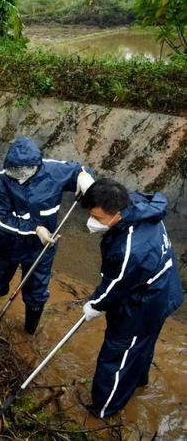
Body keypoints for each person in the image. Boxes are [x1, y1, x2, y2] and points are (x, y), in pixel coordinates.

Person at [80, 178, 183, 418]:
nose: (92, 222)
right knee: (143, 343)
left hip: (143, 305)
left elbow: (114, 287)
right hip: (163, 289)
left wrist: (95, 305)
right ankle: (138, 382)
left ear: (117, 215)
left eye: (98, 218)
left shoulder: (130, 249)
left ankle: (104, 410)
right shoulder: (137, 204)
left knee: (117, 355)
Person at [0, 136, 94, 334]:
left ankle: (29, 334)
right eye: (15, 170)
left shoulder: (53, 171)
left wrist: (85, 178)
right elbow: (0, 221)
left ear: (36, 165)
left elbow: (79, 170)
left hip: (41, 249)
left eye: (25, 170)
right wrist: (35, 229)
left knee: (36, 293)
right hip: (6, 247)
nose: (19, 175)